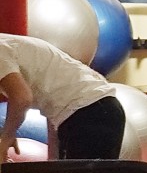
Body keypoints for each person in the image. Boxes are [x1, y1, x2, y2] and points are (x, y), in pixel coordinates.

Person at [0, 32, 125, 160]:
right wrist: (53, 163)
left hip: (91, 111)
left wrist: (7, 137)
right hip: (99, 109)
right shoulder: (11, 46)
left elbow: (22, 99)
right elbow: (54, 106)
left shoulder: (2, 49)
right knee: (77, 172)